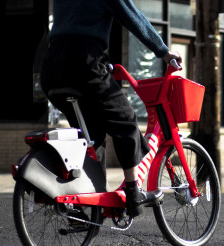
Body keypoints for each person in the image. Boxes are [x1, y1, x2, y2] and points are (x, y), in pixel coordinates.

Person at [40, 0, 182, 217]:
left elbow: (73, 28)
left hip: (51, 68)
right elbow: (135, 19)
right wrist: (164, 52)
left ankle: (85, 202)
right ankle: (133, 192)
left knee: (90, 137)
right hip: (84, 63)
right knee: (125, 118)